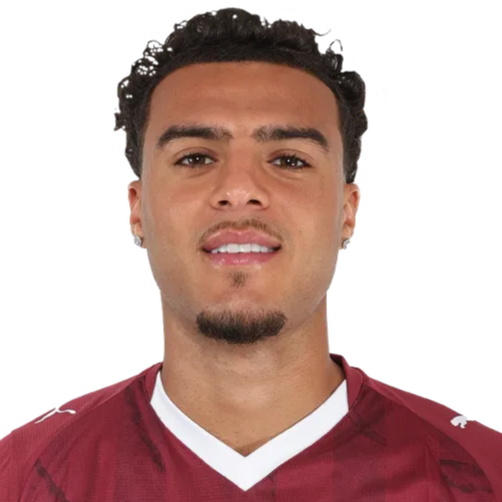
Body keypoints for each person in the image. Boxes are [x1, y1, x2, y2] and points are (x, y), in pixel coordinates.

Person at [1, 7, 501, 501]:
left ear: (348, 212)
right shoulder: (21, 477)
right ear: (136, 209)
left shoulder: (481, 476)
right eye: (196, 157)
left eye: (289, 160)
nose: (239, 190)